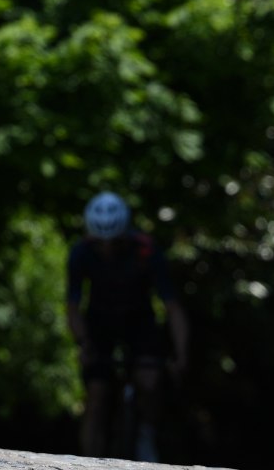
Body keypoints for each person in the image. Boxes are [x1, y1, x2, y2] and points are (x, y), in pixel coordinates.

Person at [67, 191, 190, 462]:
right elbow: (73, 307)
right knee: (96, 397)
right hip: (100, 325)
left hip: (139, 323)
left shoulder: (146, 251)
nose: (107, 248)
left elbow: (172, 306)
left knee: (149, 381)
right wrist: (83, 343)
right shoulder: (81, 253)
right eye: (101, 243)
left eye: (114, 243)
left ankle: (147, 431)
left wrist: (181, 354)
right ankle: (88, 461)